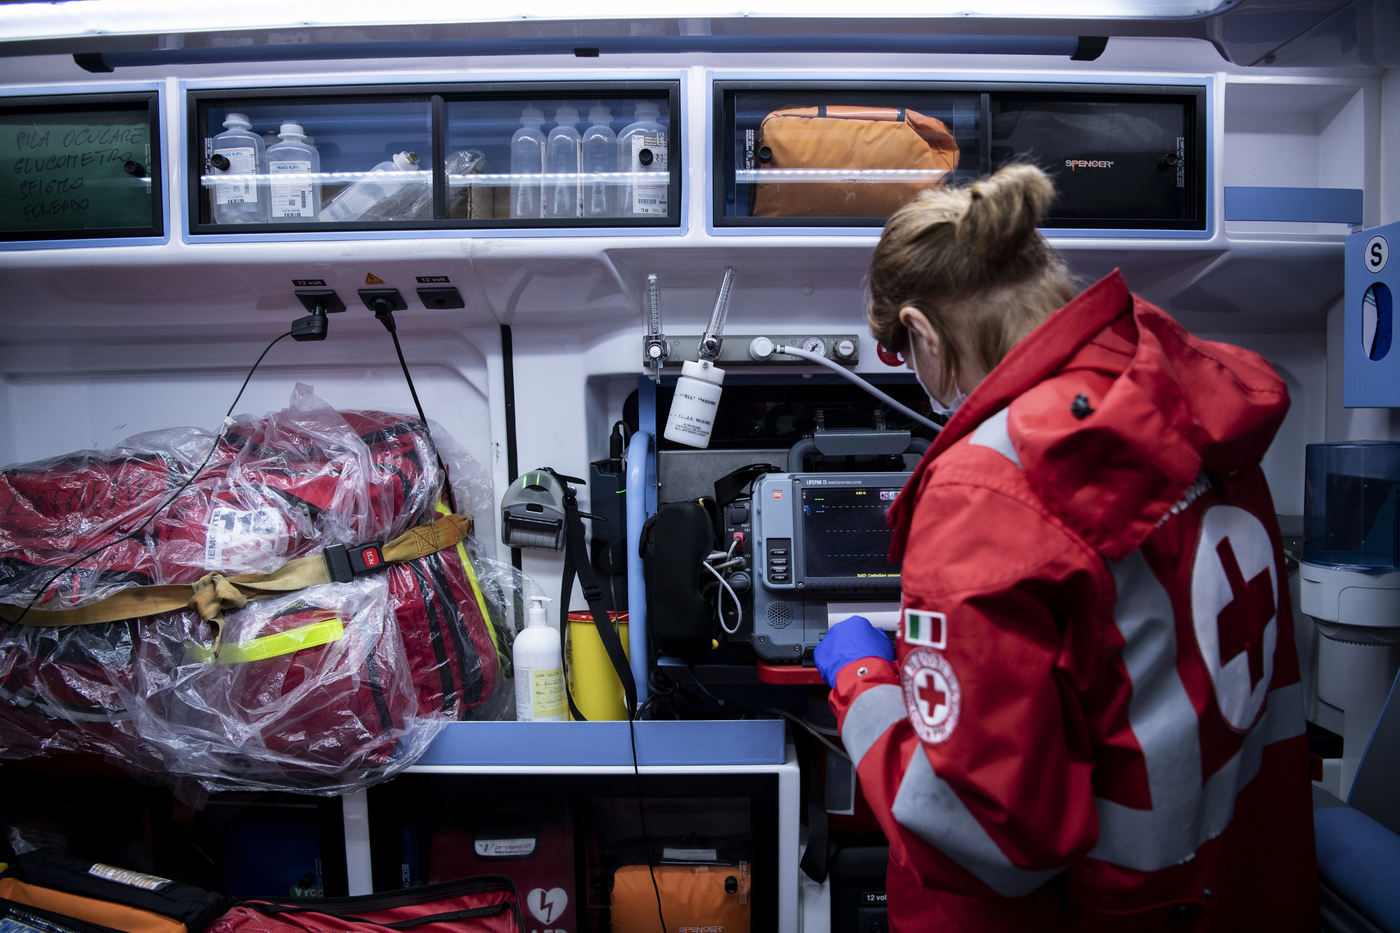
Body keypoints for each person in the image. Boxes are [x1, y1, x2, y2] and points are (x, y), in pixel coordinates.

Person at [814, 164, 1317, 931]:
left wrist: (860, 681)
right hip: (1232, 882)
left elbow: (987, 832)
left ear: (918, 329)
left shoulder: (989, 486)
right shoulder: (1187, 404)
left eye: (900, 354)